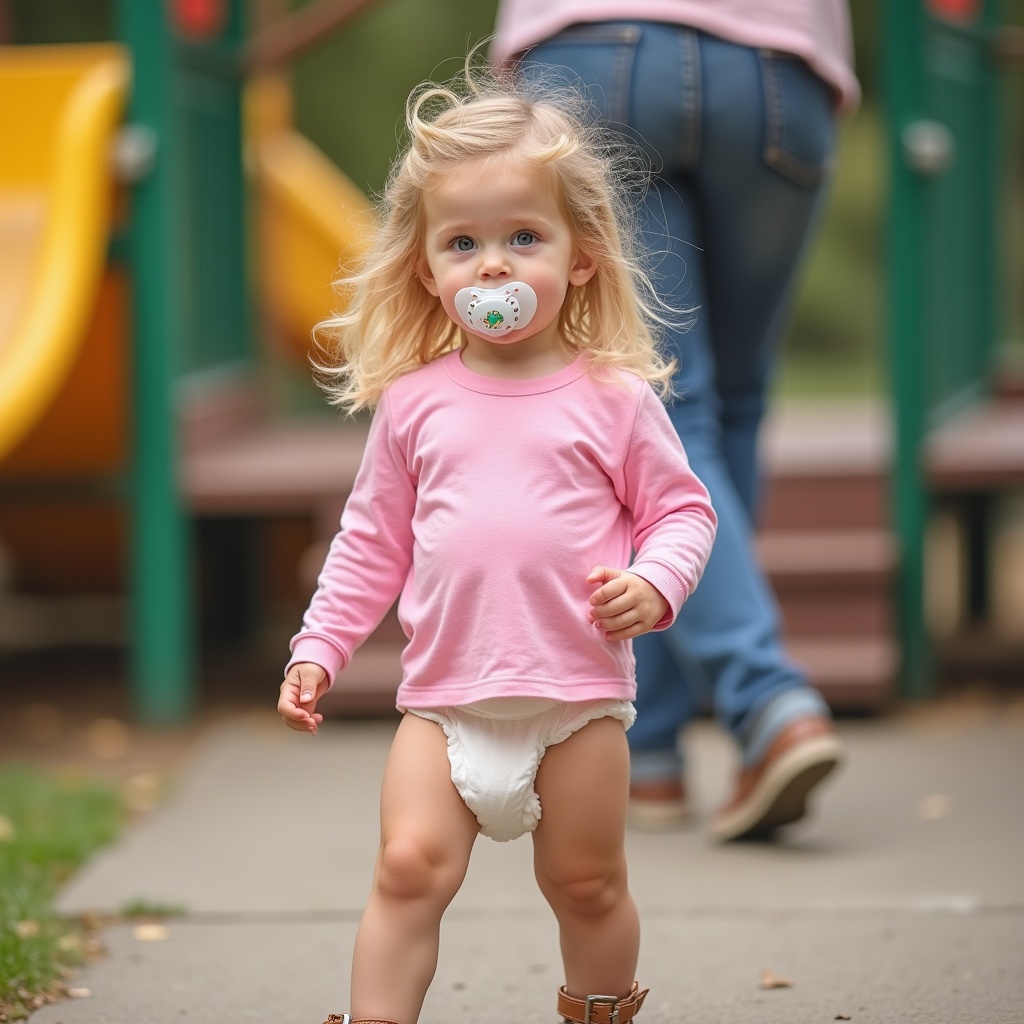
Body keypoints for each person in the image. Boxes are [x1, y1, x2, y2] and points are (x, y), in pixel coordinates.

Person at [277, 60, 717, 1024]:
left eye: (525, 237)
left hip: (576, 701)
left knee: (587, 883)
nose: (494, 265)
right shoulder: (414, 405)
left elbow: (683, 512)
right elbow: (368, 543)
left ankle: (599, 1007)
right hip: (444, 705)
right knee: (405, 868)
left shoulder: (613, 399)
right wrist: (319, 646)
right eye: (464, 243)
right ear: (428, 269)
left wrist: (656, 583)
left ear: (581, 255)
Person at [492, 1, 860, 841]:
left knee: (662, 400)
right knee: (729, 398)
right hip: (778, 69)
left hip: (594, 52)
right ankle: (647, 743)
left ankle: (761, 700)